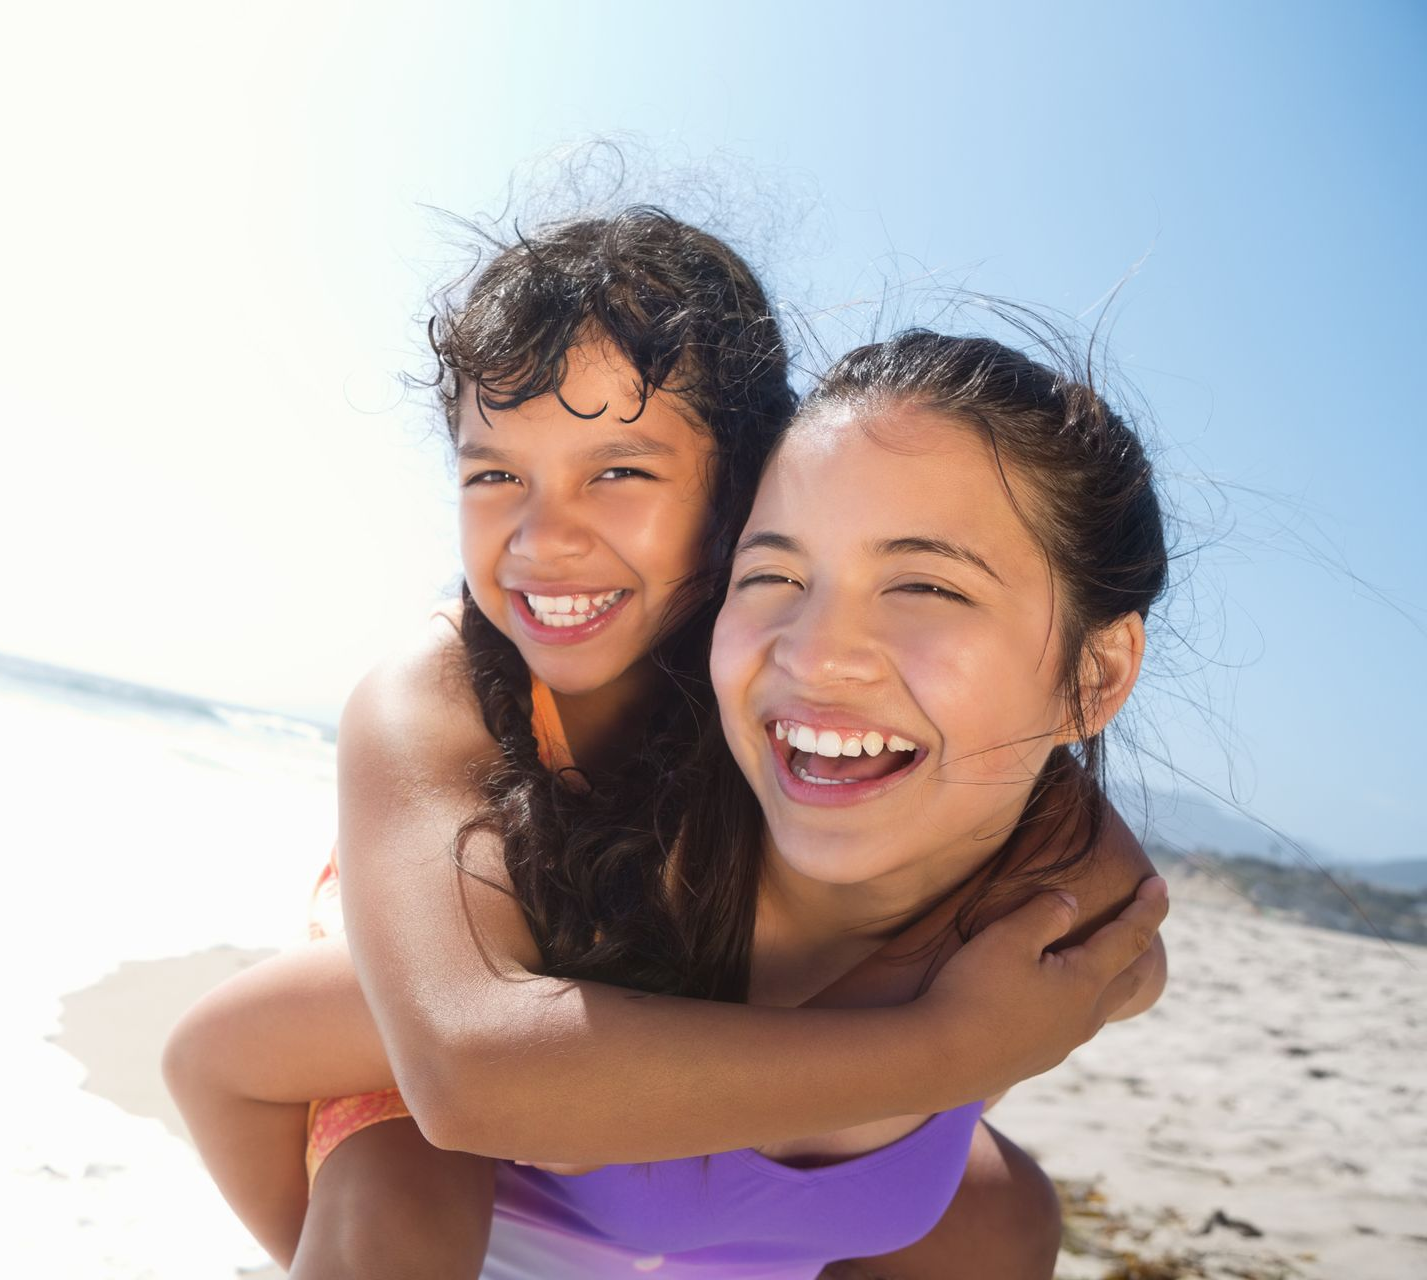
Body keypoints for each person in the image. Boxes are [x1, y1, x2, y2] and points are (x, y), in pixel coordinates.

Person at [165, 208, 1167, 1279]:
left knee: (999, 1215)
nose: (543, 538)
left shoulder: (797, 715)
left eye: (620, 472)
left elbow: (1100, 882)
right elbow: (453, 1060)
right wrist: (949, 1049)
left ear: (735, 502)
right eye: (492, 473)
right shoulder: (460, 714)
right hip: (437, 946)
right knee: (393, 1179)